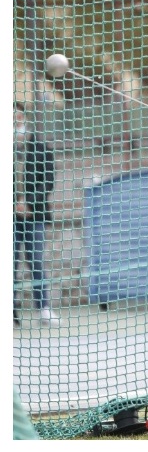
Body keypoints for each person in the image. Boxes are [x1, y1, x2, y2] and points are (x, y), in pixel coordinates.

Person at [13, 102, 59, 327]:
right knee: (10, 263)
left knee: (36, 262)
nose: (15, 121)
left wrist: (28, 202)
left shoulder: (41, 148)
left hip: (35, 214)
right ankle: (10, 311)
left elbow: (48, 181)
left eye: (18, 116)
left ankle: (44, 308)